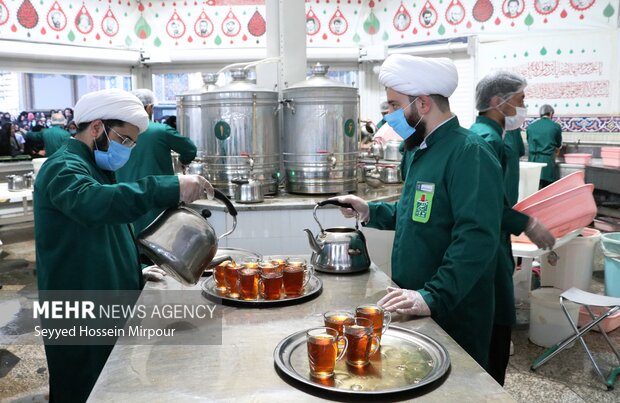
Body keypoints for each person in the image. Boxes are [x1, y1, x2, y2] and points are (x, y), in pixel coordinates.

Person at [34, 89, 212, 403]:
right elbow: (94, 204)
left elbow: (113, 229)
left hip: (105, 294)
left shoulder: (99, 169)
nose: (127, 149)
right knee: (82, 385)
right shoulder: (62, 168)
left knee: (110, 383)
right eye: (125, 139)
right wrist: (169, 186)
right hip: (80, 304)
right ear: (97, 127)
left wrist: (137, 270)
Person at [333, 54, 504, 368]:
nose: (389, 116)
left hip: (455, 309)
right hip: (414, 300)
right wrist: (370, 210)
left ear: (423, 104)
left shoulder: (470, 154)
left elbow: (476, 238)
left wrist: (433, 296)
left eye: (395, 106)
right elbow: (417, 212)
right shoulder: (419, 150)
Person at [470, 71, 555, 385]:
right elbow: (488, 204)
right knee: (495, 326)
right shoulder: (488, 140)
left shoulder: (494, 135)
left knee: (495, 324)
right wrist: (527, 223)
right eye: (520, 101)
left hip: (495, 240)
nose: (524, 107)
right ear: (497, 102)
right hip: (488, 244)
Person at [116, 89, 197, 235]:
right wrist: (182, 162)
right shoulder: (161, 130)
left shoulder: (117, 133)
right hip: (157, 199)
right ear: (149, 108)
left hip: (123, 196)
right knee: (158, 243)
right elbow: (190, 150)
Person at [527, 104, 562, 189]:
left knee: (532, 189)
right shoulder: (555, 126)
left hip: (532, 162)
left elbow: (529, 141)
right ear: (550, 114)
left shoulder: (530, 127)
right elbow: (558, 144)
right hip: (547, 162)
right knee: (545, 191)